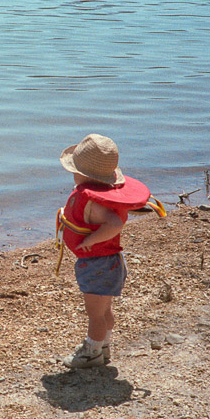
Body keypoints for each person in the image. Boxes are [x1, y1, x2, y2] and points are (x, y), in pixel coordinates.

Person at [56, 134, 153, 369]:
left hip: (99, 265)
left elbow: (115, 224)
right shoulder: (101, 196)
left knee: (95, 314)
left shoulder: (94, 202)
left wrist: (91, 239)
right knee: (104, 310)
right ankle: (103, 347)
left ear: (83, 174)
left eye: (75, 170)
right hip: (108, 263)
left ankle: (91, 354)